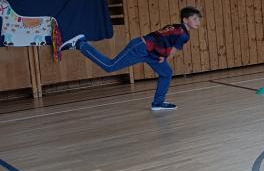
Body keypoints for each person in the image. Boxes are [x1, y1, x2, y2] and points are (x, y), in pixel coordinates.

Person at [59, 6, 203, 111]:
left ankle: (158, 103)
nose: (198, 22)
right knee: (110, 66)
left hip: (151, 53)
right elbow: (172, 50)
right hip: (140, 48)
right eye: (195, 19)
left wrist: (162, 56)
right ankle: (81, 44)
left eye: (199, 19)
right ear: (185, 20)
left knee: (166, 73)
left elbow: (163, 39)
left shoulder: (176, 27)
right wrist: (165, 56)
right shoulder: (183, 35)